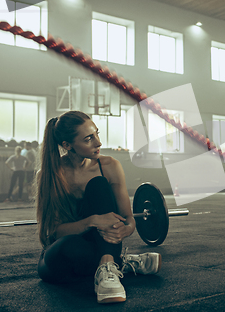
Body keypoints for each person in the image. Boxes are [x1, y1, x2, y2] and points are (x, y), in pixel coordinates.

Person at [36, 111, 162, 304]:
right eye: (88, 139)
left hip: (101, 241)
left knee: (98, 185)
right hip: (66, 250)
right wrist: (92, 221)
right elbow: (54, 232)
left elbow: (128, 220)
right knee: (68, 247)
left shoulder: (109, 166)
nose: (98, 143)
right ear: (67, 145)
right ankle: (120, 262)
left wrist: (125, 229)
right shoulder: (51, 174)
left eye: (96, 134)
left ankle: (107, 267)